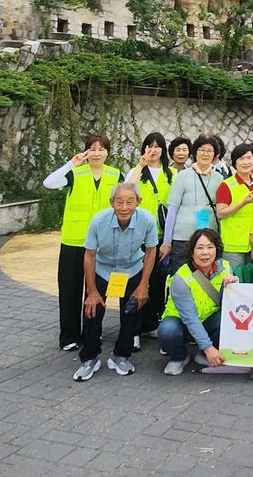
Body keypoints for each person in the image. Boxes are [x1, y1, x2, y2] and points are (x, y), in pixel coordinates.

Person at [72, 183, 157, 381]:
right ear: (112, 203)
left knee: (132, 313)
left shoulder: (147, 220)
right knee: (92, 310)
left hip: (132, 269)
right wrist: (92, 291)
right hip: (103, 269)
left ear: (138, 202)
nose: (124, 207)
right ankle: (90, 358)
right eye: (119, 202)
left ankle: (121, 355)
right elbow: (90, 255)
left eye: (130, 201)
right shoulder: (98, 221)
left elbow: (152, 250)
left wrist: (144, 284)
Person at [43, 134, 121, 351]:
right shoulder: (75, 174)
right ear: (86, 152)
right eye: (92, 149)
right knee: (69, 289)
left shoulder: (115, 175)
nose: (96, 153)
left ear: (107, 152)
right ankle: (69, 336)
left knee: (95, 290)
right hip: (73, 241)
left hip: (102, 243)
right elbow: (48, 183)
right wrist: (72, 163)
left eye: (101, 149)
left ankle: (91, 333)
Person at [158, 228, 237, 375]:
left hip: (208, 320)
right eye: (200, 248)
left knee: (229, 319)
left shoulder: (225, 267)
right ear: (192, 251)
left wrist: (234, 283)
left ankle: (202, 354)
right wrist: (209, 348)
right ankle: (179, 357)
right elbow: (190, 318)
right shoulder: (181, 278)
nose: (205, 253)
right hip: (182, 322)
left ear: (217, 249)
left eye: (210, 247)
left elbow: (232, 303)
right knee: (167, 331)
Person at [124, 132, 173, 344]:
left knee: (157, 281)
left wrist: (169, 240)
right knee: (136, 281)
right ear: (144, 148)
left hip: (161, 237)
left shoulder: (171, 174)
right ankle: (133, 330)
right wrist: (140, 165)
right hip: (138, 236)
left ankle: (151, 324)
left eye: (158, 146)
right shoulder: (137, 172)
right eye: (149, 145)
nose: (153, 149)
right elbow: (127, 189)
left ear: (163, 149)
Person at [162, 134, 225, 276]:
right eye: (202, 150)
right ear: (195, 152)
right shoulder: (182, 176)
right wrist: (167, 241)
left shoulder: (219, 178)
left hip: (207, 239)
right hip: (182, 238)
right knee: (181, 276)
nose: (205, 154)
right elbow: (172, 209)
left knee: (205, 277)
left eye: (210, 151)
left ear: (215, 155)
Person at [215, 143, 253, 270]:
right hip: (234, 245)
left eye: (249, 158)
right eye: (241, 159)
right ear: (235, 162)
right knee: (235, 281)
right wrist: (242, 203)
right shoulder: (226, 185)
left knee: (252, 283)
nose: (246, 162)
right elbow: (220, 213)